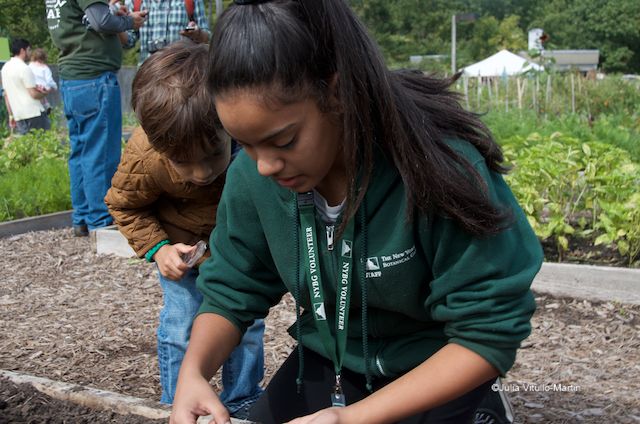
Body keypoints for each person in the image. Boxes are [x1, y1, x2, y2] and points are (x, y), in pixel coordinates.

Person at [170, 1, 544, 424]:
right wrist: (194, 371)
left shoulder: (442, 168)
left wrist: (349, 419)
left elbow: (486, 334)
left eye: (284, 141)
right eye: (246, 143)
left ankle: (485, 411)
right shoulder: (253, 179)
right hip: (332, 356)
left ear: (337, 92)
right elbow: (231, 290)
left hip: (438, 362)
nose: (264, 166)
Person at [104, 41, 265, 417]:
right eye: (183, 163)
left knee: (248, 328)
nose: (202, 172)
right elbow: (124, 204)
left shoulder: (249, 139)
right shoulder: (145, 158)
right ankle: (180, 401)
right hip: (183, 257)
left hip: (235, 257)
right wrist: (158, 248)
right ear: (161, 149)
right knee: (180, 329)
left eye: (213, 154)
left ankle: (242, 398)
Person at [45, 0, 147, 236]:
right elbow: (100, 21)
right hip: (95, 77)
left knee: (80, 151)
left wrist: (115, 14)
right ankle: (101, 221)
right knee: (101, 153)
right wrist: (130, 21)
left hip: (72, 78)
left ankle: (81, 217)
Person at [122, 0, 210, 65]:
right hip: (148, 75)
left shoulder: (190, 1)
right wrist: (116, 22)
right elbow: (129, 42)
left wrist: (197, 33)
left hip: (182, 74)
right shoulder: (134, 2)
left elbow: (207, 38)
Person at [1, 38, 50, 135]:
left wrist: (11, 115)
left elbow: (6, 95)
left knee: (27, 147)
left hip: (18, 115)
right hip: (34, 113)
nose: (30, 53)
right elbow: (34, 94)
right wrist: (45, 93)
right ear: (22, 50)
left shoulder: (5, 69)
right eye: (29, 50)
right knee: (43, 144)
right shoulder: (24, 68)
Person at [28, 48, 57, 115]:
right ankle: (46, 106)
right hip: (44, 86)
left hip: (34, 85)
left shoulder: (30, 65)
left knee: (39, 96)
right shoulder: (45, 67)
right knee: (42, 95)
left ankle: (45, 106)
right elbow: (49, 80)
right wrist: (55, 86)